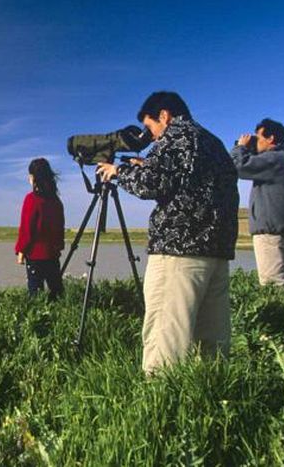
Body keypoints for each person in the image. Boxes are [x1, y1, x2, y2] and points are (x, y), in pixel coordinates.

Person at [96, 91, 239, 375]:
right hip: (216, 251)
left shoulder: (177, 135)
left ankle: (161, 402)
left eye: (151, 128)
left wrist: (118, 172)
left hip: (179, 251)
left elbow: (152, 183)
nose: (152, 138)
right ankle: (210, 391)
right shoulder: (211, 141)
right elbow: (188, 181)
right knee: (212, 341)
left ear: (165, 115)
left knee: (166, 336)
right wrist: (149, 164)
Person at [231, 118, 284, 287]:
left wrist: (240, 147)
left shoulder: (276, 159)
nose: (256, 142)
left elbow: (238, 167)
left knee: (273, 283)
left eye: (259, 137)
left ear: (271, 139)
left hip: (270, 231)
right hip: (279, 229)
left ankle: (279, 313)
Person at [15, 158, 65, 301]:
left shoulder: (31, 199)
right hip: (52, 254)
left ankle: (39, 320)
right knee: (56, 290)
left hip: (35, 255)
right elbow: (60, 227)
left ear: (34, 178)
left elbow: (26, 229)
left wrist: (21, 251)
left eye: (30, 175)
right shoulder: (56, 201)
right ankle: (59, 314)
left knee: (35, 293)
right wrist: (58, 247)